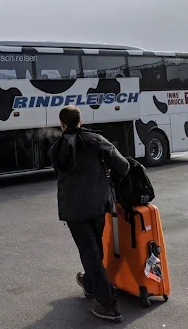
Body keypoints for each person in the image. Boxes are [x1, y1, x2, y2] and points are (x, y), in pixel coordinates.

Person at [48, 105, 130, 322]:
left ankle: (108, 303)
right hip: (98, 205)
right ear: (81, 121)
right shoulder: (97, 140)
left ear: (62, 124)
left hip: (73, 209)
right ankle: (95, 288)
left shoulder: (56, 149)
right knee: (94, 250)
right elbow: (123, 166)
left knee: (90, 251)